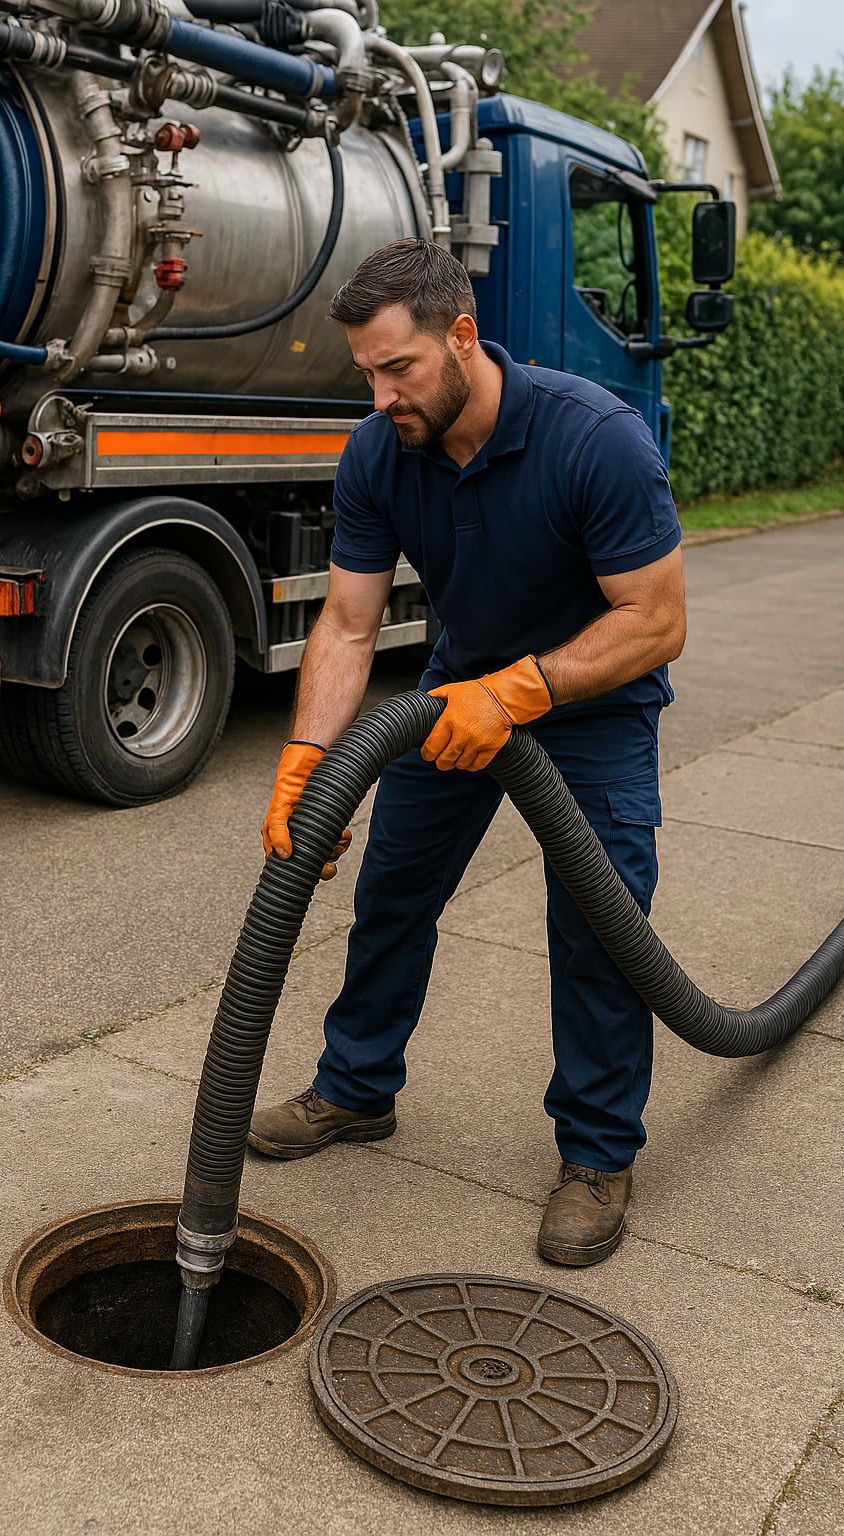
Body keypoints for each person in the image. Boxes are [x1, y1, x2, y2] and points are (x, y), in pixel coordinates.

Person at [248, 238, 686, 1267]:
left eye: (398, 368)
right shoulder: (378, 453)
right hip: (457, 690)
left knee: (598, 924)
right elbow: (349, 627)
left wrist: (523, 689)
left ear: (460, 335)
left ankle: (594, 1155)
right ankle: (356, 1091)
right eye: (366, 372)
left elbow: (655, 621)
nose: (382, 394)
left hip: (592, 700)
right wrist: (308, 756)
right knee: (392, 890)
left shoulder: (595, 440)